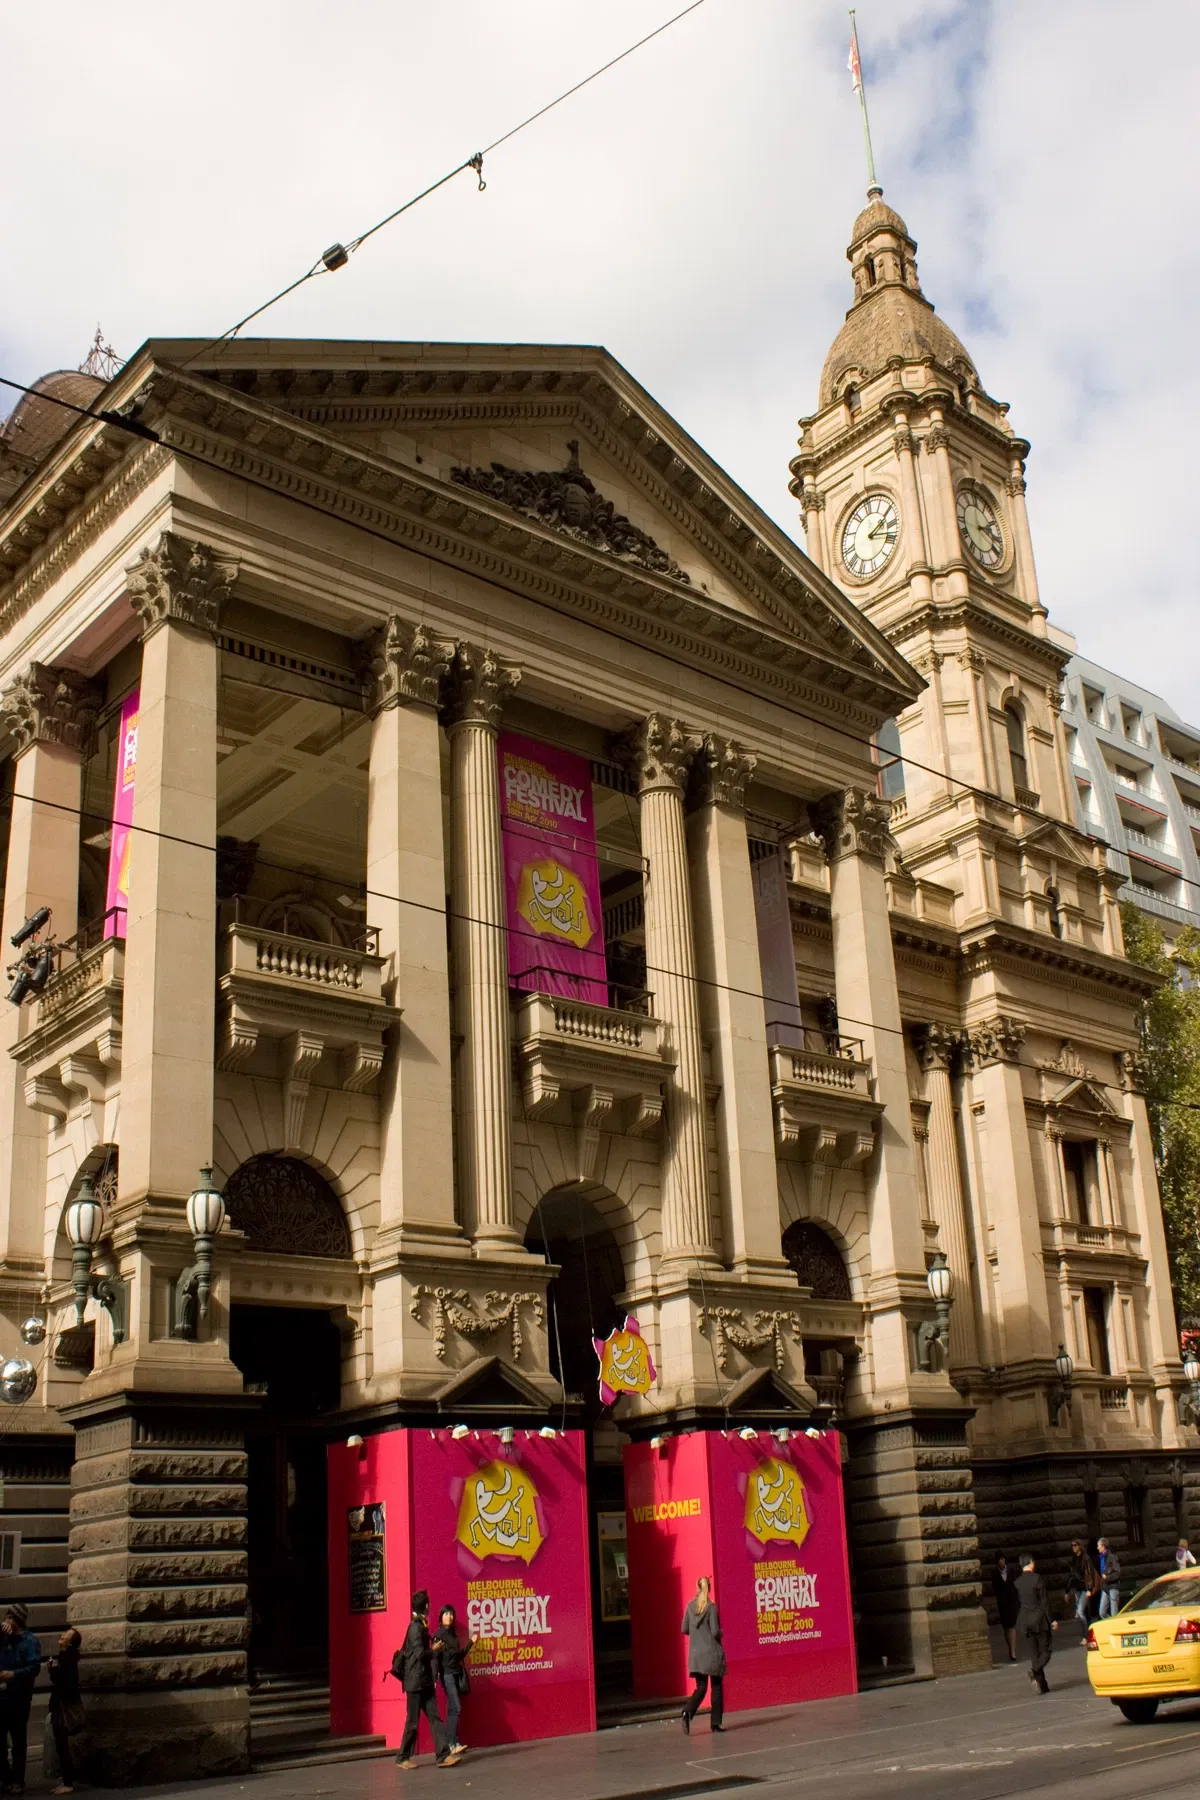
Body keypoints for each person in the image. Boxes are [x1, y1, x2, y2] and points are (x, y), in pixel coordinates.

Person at [393, 1591, 458, 1770]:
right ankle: (403, 1756)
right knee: (412, 1722)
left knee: (435, 1718)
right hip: (415, 1682)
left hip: (424, 1681)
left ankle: (443, 1755)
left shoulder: (420, 1625)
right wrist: (435, 1649)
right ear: (427, 1606)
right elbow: (420, 1653)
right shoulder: (416, 1627)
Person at [0, 1603, 42, 1795]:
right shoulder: (3, 1637)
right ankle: (5, 1777)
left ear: (17, 1621)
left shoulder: (30, 1641)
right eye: (6, 1617)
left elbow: (34, 1668)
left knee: (18, 1740)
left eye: (10, 1618)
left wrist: (14, 1674)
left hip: (19, 1697)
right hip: (1, 1696)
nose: (6, 1620)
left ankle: (17, 1781)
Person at [680, 1576, 725, 1735]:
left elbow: (684, 1629)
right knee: (717, 1687)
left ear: (697, 1588)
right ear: (709, 1588)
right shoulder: (711, 1607)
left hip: (696, 1655)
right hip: (711, 1654)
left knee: (701, 1687)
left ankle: (687, 1712)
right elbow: (714, 1631)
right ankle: (715, 1723)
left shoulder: (689, 1607)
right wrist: (722, 1632)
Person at [47, 1629, 84, 1795]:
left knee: (62, 1746)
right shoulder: (65, 1656)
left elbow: (65, 1683)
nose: (62, 1635)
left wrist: (54, 1670)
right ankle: (65, 1779)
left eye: (66, 1635)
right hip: (60, 1706)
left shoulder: (68, 1658)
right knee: (60, 1745)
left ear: (70, 1642)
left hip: (63, 1708)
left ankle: (68, 1782)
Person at [434, 1606, 474, 1756]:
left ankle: (454, 1742)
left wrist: (470, 1644)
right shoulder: (438, 1635)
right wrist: (434, 1677)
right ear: (441, 1616)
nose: (449, 1617)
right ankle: (450, 1743)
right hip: (447, 1675)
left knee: (452, 1709)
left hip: (456, 1673)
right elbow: (435, 1658)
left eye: (451, 1614)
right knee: (456, 1708)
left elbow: (458, 1657)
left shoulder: (453, 1634)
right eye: (446, 1614)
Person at [1014, 1554, 1057, 1694]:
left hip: (1025, 1620)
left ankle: (1042, 1685)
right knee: (1045, 1651)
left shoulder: (1017, 1582)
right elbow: (1045, 1603)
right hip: (1039, 1620)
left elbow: (1017, 1603)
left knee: (1034, 1653)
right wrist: (1052, 1621)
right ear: (1030, 1563)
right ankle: (1035, 1671)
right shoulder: (1038, 1579)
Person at [1066, 1538, 1100, 1643]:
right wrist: (1067, 1591)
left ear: (1080, 1546)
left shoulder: (1085, 1558)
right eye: (1072, 1546)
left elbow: (1090, 1573)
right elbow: (1071, 1576)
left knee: (1080, 1612)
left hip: (1085, 1588)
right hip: (1077, 1589)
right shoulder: (1073, 1559)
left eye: (1075, 1545)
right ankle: (1090, 1634)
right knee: (1084, 1613)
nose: (1073, 1547)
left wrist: (1089, 1589)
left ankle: (1086, 1637)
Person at [991, 1554, 1021, 1663]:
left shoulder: (1012, 1571)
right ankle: (1010, 1648)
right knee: (1006, 1627)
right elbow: (995, 1589)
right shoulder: (995, 1574)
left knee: (1012, 1626)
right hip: (1002, 1603)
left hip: (1012, 1601)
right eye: (999, 1560)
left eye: (1002, 1559)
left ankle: (1013, 1652)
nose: (1001, 1561)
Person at [1096, 1538, 1122, 1617]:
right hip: (1106, 1587)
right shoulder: (1102, 1558)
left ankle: (1115, 1627)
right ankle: (1111, 1625)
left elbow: (1118, 1573)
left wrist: (1107, 1577)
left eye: (1098, 1546)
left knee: (1114, 1614)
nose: (1097, 1548)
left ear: (1103, 1546)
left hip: (1113, 1587)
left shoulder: (1111, 1557)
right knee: (1102, 1613)